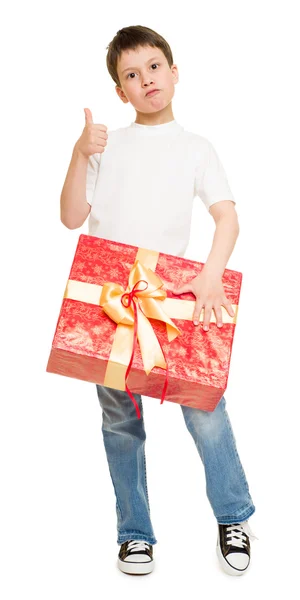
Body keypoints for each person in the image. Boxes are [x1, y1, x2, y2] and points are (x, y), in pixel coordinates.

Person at [60, 25, 257, 577]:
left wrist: (212, 275)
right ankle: (135, 533)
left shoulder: (196, 147)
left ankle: (233, 515)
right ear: (120, 92)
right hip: (110, 298)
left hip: (171, 296)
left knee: (205, 409)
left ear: (174, 73)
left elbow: (227, 216)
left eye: (153, 67)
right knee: (120, 418)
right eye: (130, 74)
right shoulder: (107, 144)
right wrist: (79, 153)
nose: (145, 79)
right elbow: (73, 216)